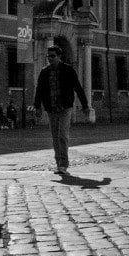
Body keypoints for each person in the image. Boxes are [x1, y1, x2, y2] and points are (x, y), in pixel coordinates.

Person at [33, 45, 89, 174]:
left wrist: (85, 106)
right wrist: (37, 107)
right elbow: (39, 90)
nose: (50, 58)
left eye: (53, 56)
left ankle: (63, 164)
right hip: (51, 108)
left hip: (65, 108)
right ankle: (59, 164)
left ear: (59, 57)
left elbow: (78, 88)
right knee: (55, 137)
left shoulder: (68, 70)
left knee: (62, 135)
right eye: (48, 56)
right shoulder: (44, 71)